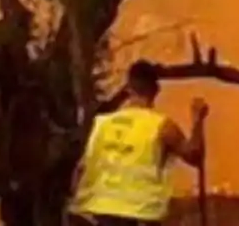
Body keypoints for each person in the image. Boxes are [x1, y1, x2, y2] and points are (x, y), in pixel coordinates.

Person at [67, 61, 209, 226]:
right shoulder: (161, 126)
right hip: (139, 215)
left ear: (128, 89)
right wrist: (197, 120)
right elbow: (194, 155)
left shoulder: (101, 124)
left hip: (95, 214)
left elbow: (80, 170)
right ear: (156, 91)